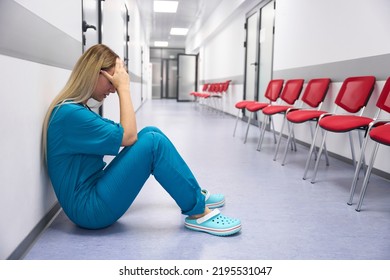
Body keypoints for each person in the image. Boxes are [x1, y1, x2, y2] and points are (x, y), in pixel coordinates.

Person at [42, 44, 241, 236]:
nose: (113, 89)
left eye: (116, 83)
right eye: (112, 81)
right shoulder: (70, 114)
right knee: (153, 143)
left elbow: (128, 133)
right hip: (89, 209)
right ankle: (198, 212)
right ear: (94, 72)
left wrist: (120, 88)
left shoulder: (75, 110)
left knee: (149, 132)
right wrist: (124, 89)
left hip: (93, 192)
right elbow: (128, 136)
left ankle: (194, 194)